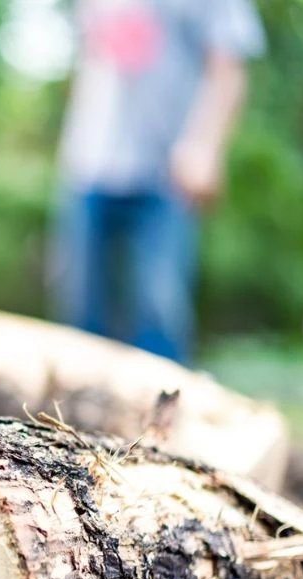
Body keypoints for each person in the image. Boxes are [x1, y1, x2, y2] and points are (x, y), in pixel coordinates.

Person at [50, 0, 265, 364]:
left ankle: (162, 416)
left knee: (158, 314)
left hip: (166, 172)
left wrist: (204, 148)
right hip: (87, 166)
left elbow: (229, 69)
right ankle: (69, 419)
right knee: (78, 311)